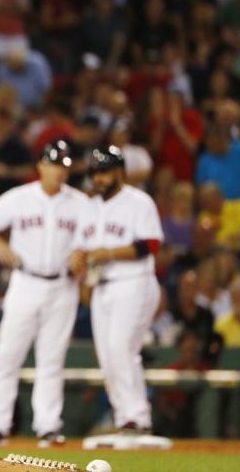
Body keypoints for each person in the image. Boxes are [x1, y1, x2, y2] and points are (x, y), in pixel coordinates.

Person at [0, 140, 87, 447]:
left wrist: (82, 256)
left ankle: (48, 426)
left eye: (63, 166)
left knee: (52, 358)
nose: (58, 171)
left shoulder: (80, 203)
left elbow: (88, 243)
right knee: (8, 355)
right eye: (53, 164)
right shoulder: (20, 198)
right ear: (40, 166)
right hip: (25, 282)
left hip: (63, 286)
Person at [70, 146, 164, 434]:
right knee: (108, 354)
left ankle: (137, 417)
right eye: (96, 173)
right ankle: (125, 417)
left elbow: (150, 245)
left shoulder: (139, 202)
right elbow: (81, 251)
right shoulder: (88, 207)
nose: (100, 178)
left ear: (120, 171)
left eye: (106, 171)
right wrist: (80, 268)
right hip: (101, 287)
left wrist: (108, 253)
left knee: (121, 347)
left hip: (134, 282)